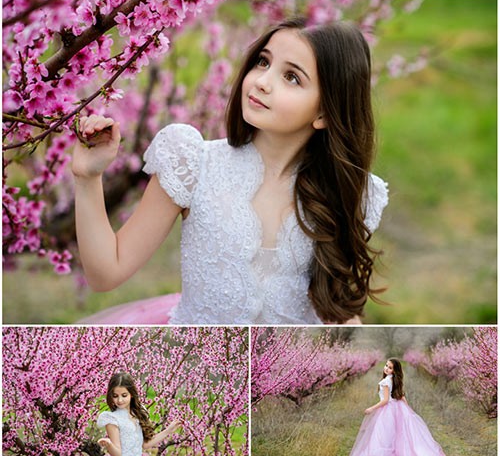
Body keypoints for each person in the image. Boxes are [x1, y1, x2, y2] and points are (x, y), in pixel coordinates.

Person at [70, 21, 388, 327]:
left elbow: (335, 308)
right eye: (263, 62)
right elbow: (106, 272)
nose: (263, 81)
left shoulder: (350, 193)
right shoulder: (193, 162)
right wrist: (88, 177)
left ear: (324, 112)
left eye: (292, 77)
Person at [73, 371, 182, 456]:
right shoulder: (112, 419)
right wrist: (109, 444)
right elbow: (118, 455)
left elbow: (145, 444)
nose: (120, 400)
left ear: (132, 394)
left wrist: (168, 430)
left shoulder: (139, 413)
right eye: (115, 396)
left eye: (124, 395)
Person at [344, 359, 451, 456]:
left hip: (388, 410)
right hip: (397, 408)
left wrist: (372, 408)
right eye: (386, 366)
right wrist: (407, 410)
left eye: (390, 368)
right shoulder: (394, 380)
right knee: (397, 435)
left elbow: (385, 401)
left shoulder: (385, 382)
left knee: (385, 435)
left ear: (394, 371)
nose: (386, 368)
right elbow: (401, 396)